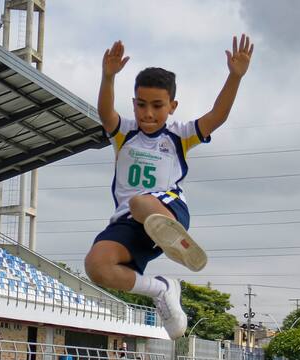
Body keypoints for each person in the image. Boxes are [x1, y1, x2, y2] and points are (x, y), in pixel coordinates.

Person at [84, 35, 254, 340]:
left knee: (140, 202)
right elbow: (105, 112)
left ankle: (174, 237)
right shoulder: (123, 132)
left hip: (168, 209)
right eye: (141, 105)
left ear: (172, 106)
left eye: (157, 106)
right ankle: (161, 288)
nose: (148, 113)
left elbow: (217, 116)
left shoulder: (180, 136)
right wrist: (108, 76)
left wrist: (234, 76)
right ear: (133, 103)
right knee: (96, 266)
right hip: (128, 222)